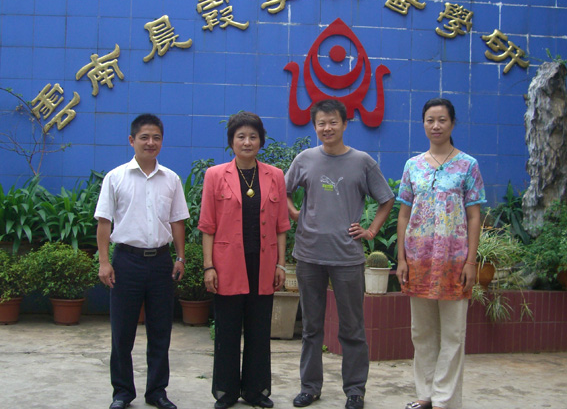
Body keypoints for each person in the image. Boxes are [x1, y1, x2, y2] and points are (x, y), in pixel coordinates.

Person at [285, 99, 395, 409]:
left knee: (352, 328)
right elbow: (283, 191)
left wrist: (370, 231)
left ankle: (355, 390)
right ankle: (310, 387)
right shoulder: (305, 159)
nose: (327, 128)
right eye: (321, 123)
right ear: (314, 126)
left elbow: (386, 199)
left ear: (345, 124)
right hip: (309, 254)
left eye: (333, 122)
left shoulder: (362, 162)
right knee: (311, 327)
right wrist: (294, 213)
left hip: (347, 257)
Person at [396, 98, 486, 409]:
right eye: (430, 120)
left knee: (453, 333)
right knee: (421, 331)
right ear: (423, 124)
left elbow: (474, 216)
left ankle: (444, 400)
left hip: (454, 262)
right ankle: (425, 395)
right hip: (418, 261)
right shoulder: (413, 165)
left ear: (452, 123)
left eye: (442, 120)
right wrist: (401, 259)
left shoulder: (468, 165)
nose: (436, 126)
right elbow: (403, 215)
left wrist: (471, 261)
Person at [95, 113, 189, 409]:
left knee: (161, 331)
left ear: (162, 141)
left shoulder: (171, 179)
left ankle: (157, 392)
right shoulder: (116, 177)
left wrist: (180, 257)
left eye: (156, 138)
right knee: (122, 333)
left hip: (161, 263)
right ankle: (122, 393)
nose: (151, 143)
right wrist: (104, 262)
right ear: (131, 140)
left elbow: (177, 222)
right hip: (126, 262)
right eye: (144, 137)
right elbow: (104, 222)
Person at [198, 112, 291, 409]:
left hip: (263, 265)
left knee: (259, 331)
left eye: (253, 137)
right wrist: (209, 266)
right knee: (226, 331)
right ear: (231, 141)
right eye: (241, 137)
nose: (247, 142)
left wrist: (281, 264)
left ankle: (256, 391)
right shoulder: (215, 175)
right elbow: (207, 226)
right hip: (226, 265)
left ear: (261, 141)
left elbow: (281, 226)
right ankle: (225, 392)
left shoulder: (275, 176)